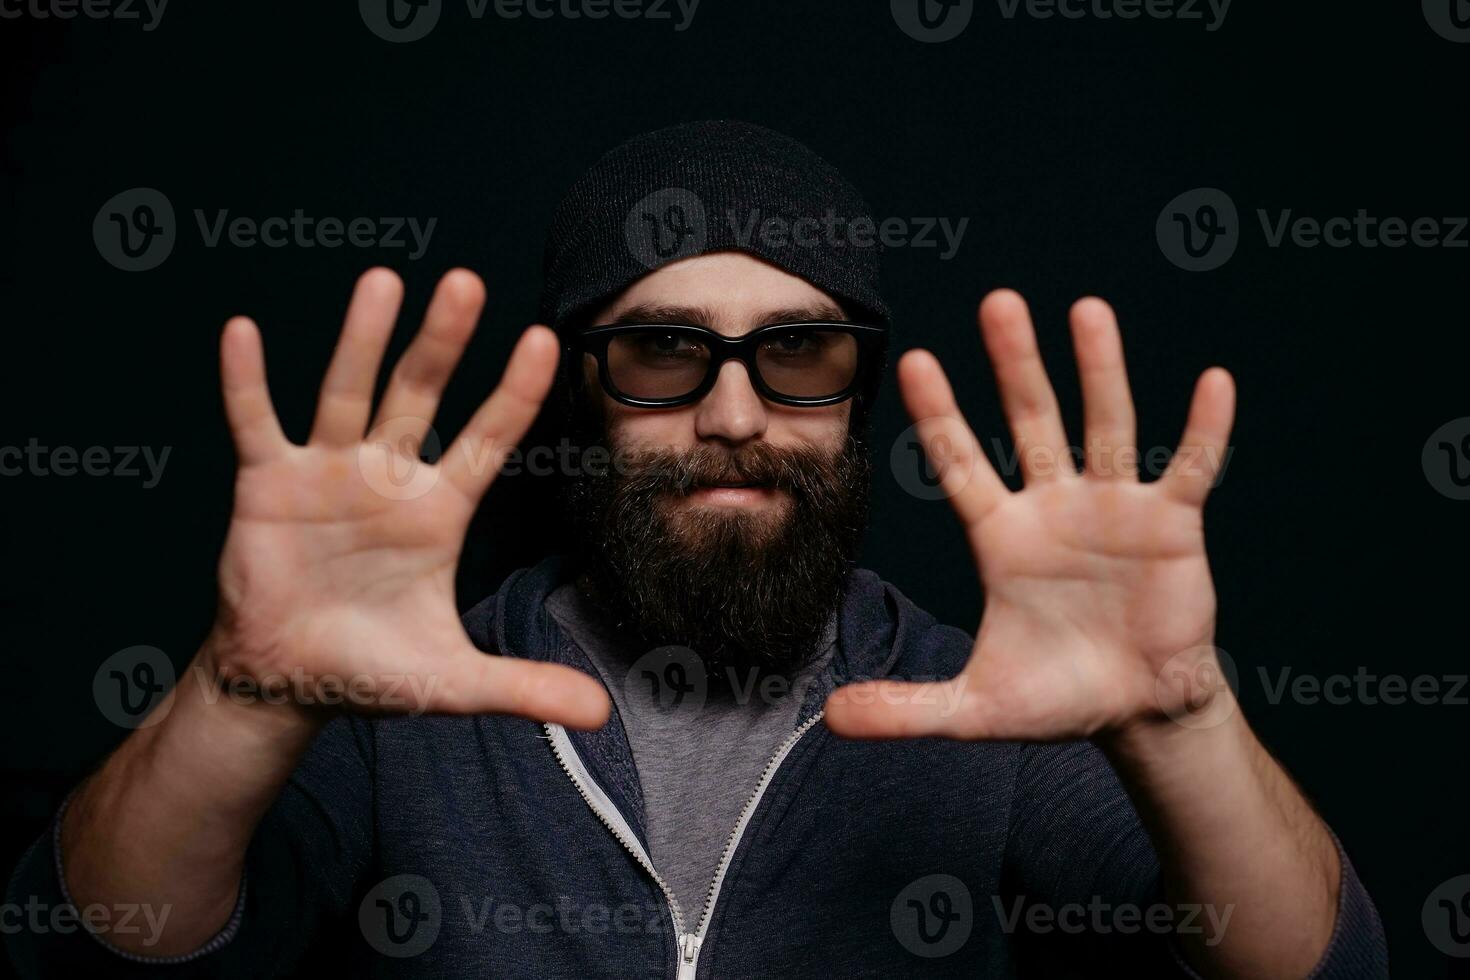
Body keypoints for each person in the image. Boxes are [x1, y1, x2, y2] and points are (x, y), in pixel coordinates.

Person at [4, 121, 1387, 978]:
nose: (732, 414)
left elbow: (1315, 971)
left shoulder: (990, 707)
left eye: (796, 352)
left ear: (857, 390)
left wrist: (1182, 717)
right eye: (662, 349)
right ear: (584, 389)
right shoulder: (404, 693)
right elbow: (92, 953)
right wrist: (244, 688)